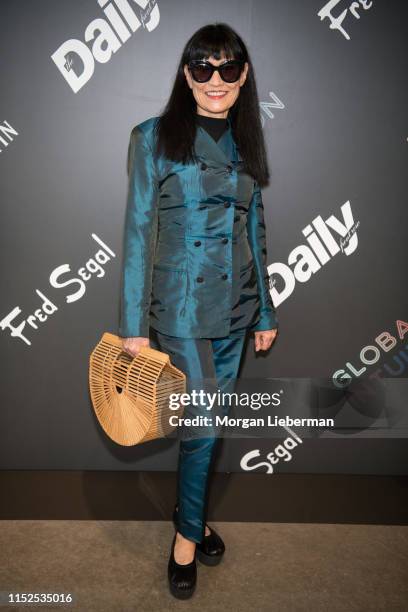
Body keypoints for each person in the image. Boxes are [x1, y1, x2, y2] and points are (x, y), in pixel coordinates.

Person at [118, 22, 279, 599]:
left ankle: (193, 520)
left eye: (229, 69)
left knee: (205, 431)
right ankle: (186, 538)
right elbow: (140, 231)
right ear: (186, 75)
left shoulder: (246, 140)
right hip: (182, 311)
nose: (217, 80)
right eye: (204, 68)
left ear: (243, 77)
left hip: (235, 309)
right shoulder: (152, 136)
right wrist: (134, 328)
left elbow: (254, 232)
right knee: (204, 426)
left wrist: (264, 311)